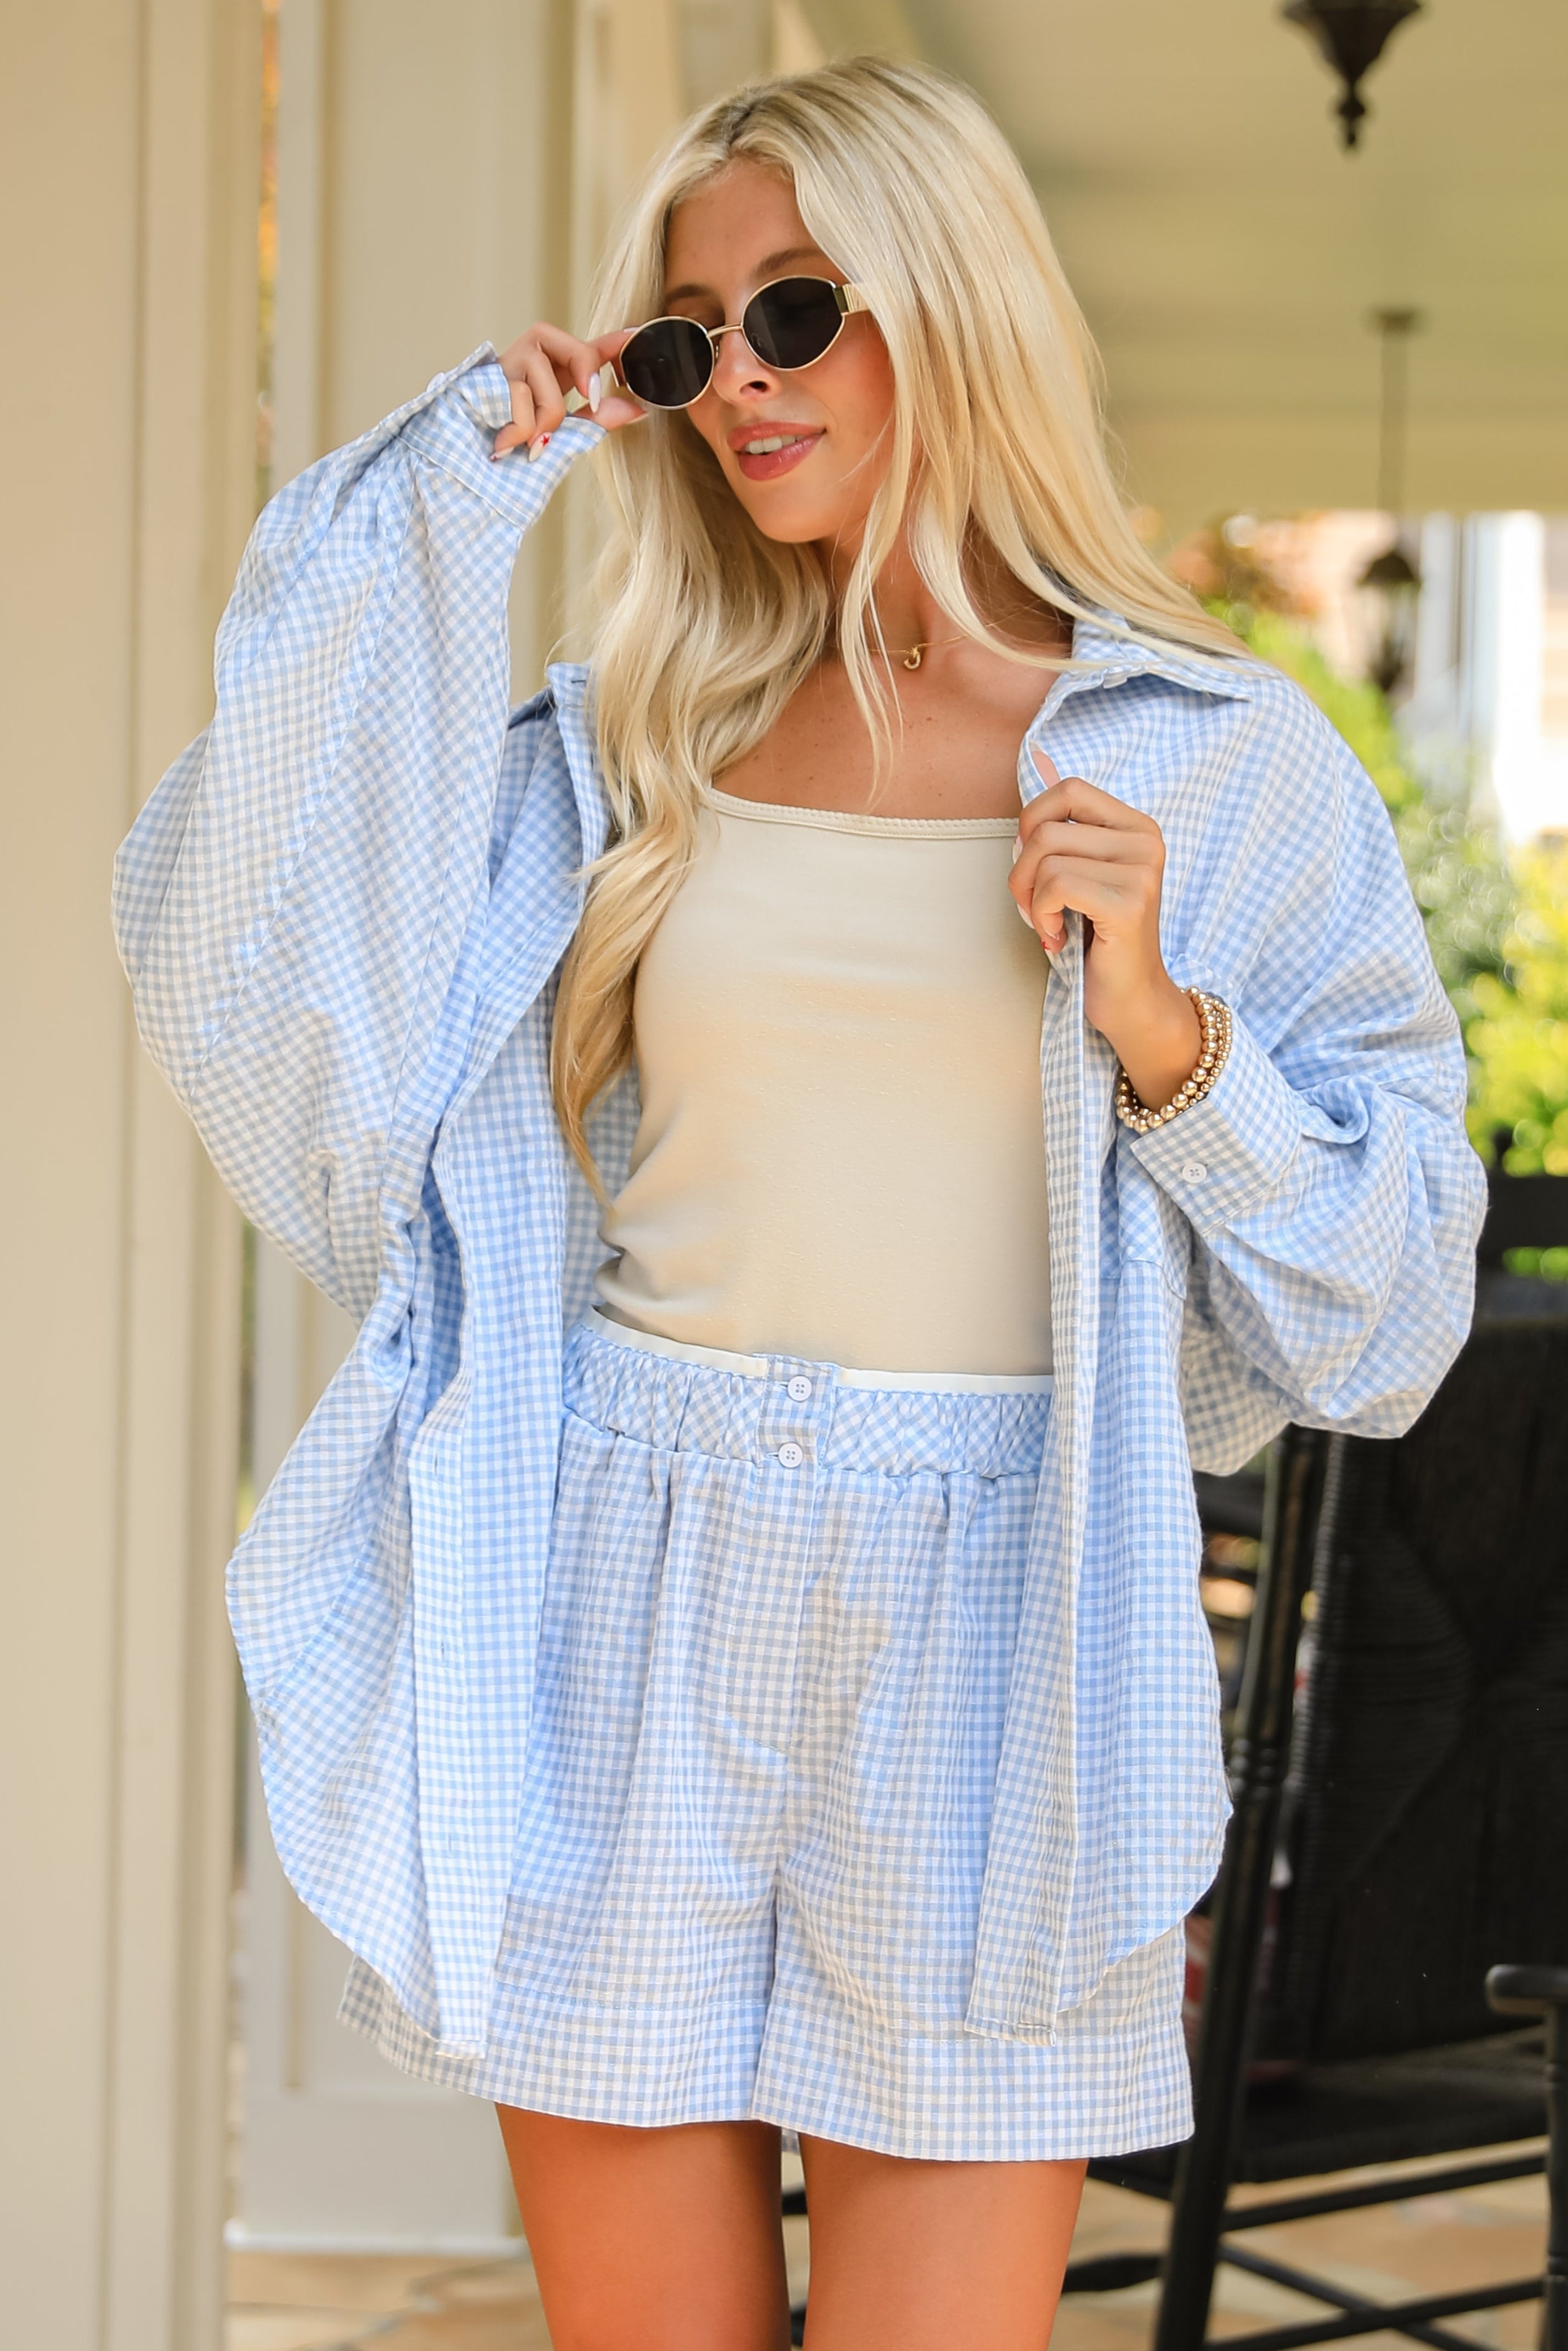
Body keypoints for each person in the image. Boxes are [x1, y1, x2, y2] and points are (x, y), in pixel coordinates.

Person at [114, 55, 1484, 2351]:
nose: (734, 384)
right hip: (617, 1582)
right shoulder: (619, 752)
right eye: (681, 338)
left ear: (946, 306)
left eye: (793, 312)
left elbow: (1390, 1315)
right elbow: (244, 925)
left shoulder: (1214, 764)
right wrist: (457, 480)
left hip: (999, 1613)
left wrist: (1171, 1036)